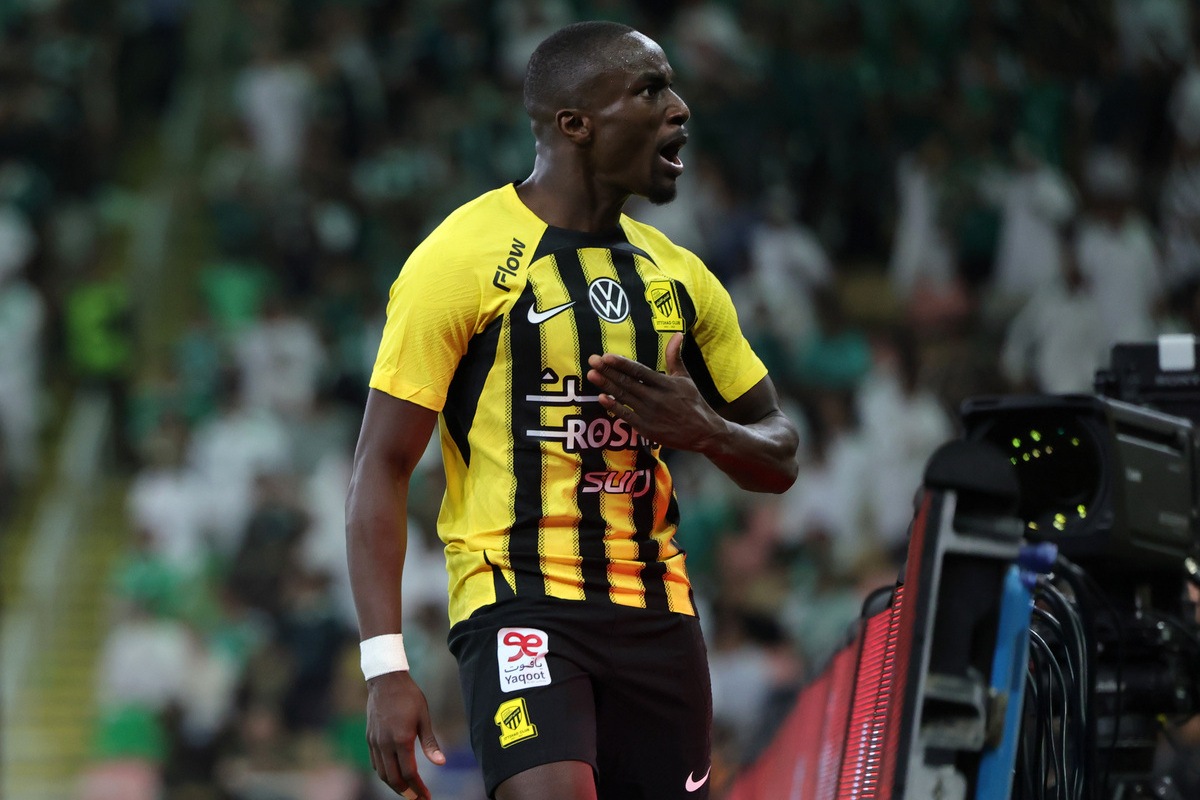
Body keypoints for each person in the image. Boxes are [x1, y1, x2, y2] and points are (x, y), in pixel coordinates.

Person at [345, 20, 799, 800]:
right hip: (518, 600)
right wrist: (385, 665)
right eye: (650, 90)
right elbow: (381, 466)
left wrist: (708, 431)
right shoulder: (459, 258)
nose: (679, 109)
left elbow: (780, 453)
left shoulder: (681, 277)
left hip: (660, 615)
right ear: (576, 123)